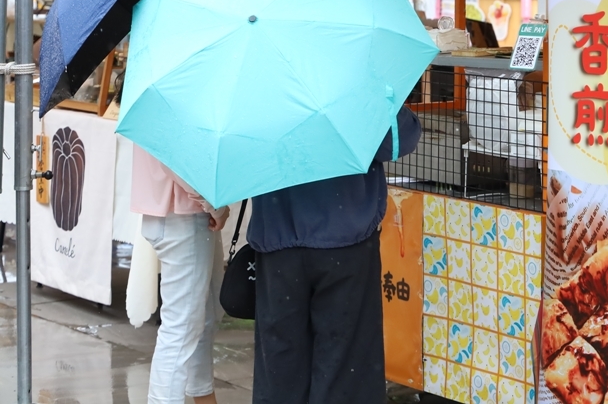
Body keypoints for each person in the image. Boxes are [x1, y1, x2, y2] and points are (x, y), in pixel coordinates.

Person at [249, 107, 421, 404]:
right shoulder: (352, 75)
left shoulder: (261, 83)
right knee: (345, 370)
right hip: (344, 239)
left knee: (280, 368)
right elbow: (397, 139)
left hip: (278, 241)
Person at [131, 146, 230, 404]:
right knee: (182, 329)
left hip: (178, 210)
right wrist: (213, 204)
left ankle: (203, 395)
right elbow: (175, 155)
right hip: (184, 212)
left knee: (204, 316)